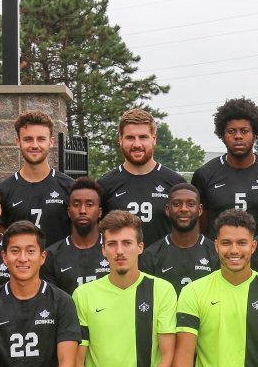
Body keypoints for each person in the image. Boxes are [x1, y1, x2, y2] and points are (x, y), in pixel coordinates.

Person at [173, 209, 258, 367]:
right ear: (216, 245)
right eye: (226, 243)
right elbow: (184, 353)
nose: (234, 250)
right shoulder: (193, 292)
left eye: (242, 243)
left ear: (253, 246)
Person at [0, 221, 80, 367]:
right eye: (15, 251)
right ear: (4, 257)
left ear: (43, 257)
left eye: (30, 251)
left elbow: (68, 363)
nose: (22, 258)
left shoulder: (62, 302)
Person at [73, 211, 177, 367]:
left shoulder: (162, 290)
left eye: (127, 243)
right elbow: (78, 362)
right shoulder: (83, 294)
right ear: (103, 250)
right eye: (112, 244)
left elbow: (168, 356)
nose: (119, 251)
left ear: (140, 247)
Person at [191, 97, 258, 237]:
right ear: (222, 135)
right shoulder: (205, 174)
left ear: (256, 135)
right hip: (218, 256)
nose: (238, 136)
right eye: (231, 131)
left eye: (244, 131)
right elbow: (201, 229)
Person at [99, 108, 188, 245]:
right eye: (130, 138)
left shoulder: (175, 183)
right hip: (121, 265)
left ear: (154, 139)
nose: (137, 144)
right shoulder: (104, 185)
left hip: (163, 266)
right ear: (120, 140)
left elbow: (187, 232)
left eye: (143, 137)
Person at [0, 111, 75, 247]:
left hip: (59, 267)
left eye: (41, 139)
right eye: (28, 139)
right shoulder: (3, 191)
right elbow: (0, 238)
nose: (34, 145)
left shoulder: (69, 187)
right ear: (18, 142)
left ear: (51, 142)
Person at [140, 183, 219, 293]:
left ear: (200, 210)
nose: (184, 209)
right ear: (168, 209)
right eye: (177, 204)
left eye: (191, 204)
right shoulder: (150, 256)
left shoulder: (216, 253)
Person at [41, 177, 108, 293]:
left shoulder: (114, 249)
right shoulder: (51, 256)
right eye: (76, 204)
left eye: (89, 204)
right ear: (68, 211)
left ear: (100, 212)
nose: (82, 210)